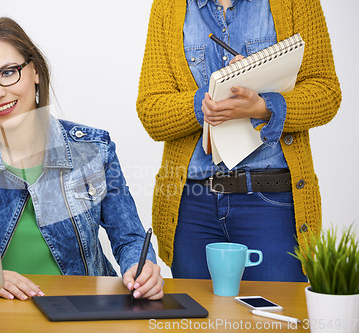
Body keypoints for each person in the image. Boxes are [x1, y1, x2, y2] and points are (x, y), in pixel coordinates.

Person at [0, 17, 163, 300]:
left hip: (80, 311)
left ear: (36, 71)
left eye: (8, 73)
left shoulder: (93, 148)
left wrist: (142, 268)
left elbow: (130, 238)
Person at [136, 0, 341, 281]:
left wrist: (263, 106)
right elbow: (152, 111)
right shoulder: (168, 6)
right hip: (193, 205)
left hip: (272, 203)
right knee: (199, 322)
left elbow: (326, 92)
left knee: (275, 321)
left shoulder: (297, 3)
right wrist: (205, 103)